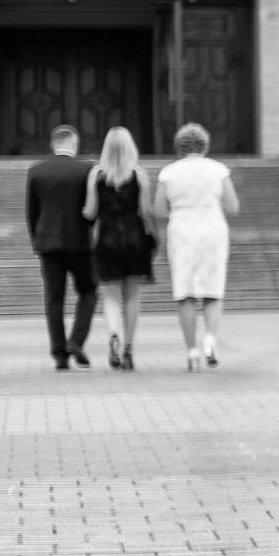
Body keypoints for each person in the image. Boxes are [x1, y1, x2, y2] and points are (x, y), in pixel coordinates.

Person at [152, 122, 237, 370]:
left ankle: (191, 351)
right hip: (212, 227)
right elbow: (232, 206)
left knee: (186, 293)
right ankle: (210, 338)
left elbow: (158, 210)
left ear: (178, 146)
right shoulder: (218, 170)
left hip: (182, 229)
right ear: (205, 145)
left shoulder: (168, 173)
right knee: (213, 290)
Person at [84, 126, 156, 371]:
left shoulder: (97, 174)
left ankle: (114, 334)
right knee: (133, 296)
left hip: (107, 238)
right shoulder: (139, 175)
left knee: (111, 296)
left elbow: (90, 211)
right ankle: (128, 349)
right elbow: (146, 211)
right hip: (134, 237)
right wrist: (156, 236)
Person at [25, 125, 96, 370]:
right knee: (88, 292)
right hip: (80, 243)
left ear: (52, 144)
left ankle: (59, 354)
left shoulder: (36, 171)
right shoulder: (87, 169)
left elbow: (31, 211)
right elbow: (92, 207)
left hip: (48, 243)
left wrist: (37, 240)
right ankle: (76, 341)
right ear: (73, 143)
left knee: (54, 299)